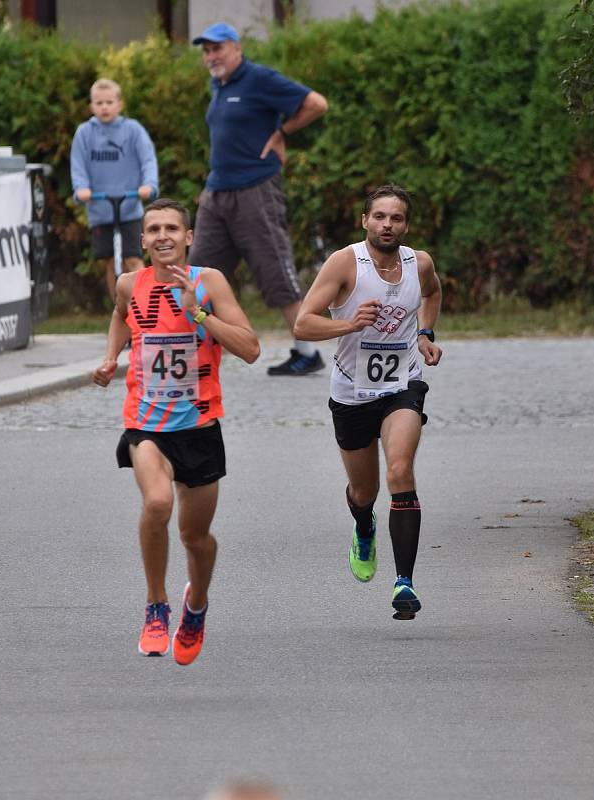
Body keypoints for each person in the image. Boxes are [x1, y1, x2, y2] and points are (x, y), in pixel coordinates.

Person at [92, 198, 260, 664]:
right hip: (145, 424)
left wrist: (198, 314)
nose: (162, 235)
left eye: (171, 228)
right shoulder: (130, 283)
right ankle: (155, 606)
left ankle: (196, 604)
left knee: (195, 539)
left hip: (200, 428)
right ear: (143, 240)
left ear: (188, 238)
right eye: (153, 229)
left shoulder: (209, 283)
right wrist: (111, 358)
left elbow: (251, 348)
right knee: (158, 502)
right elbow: (119, 317)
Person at [293, 184, 443, 619]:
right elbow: (303, 324)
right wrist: (348, 325)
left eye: (396, 218)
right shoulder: (345, 263)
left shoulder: (420, 264)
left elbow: (432, 294)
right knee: (364, 491)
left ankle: (404, 583)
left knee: (401, 469)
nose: (387, 225)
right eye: (379, 216)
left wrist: (426, 333)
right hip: (352, 392)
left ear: (406, 225)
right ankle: (363, 526)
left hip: (402, 385)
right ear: (365, 221)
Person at [190, 22, 329, 376]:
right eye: (206, 51)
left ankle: (307, 352)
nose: (211, 56)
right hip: (216, 191)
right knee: (198, 271)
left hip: (256, 189)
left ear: (236, 48)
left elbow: (316, 104)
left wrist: (282, 132)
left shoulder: (259, 78)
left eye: (217, 48)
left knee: (274, 271)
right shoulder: (218, 84)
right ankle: (187, 347)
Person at [71, 78, 159, 300]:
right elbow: (78, 165)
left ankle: (145, 306)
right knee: (110, 261)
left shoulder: (132, 130)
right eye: (99, 103)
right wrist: (81, 189)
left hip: (129, 207)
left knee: (133, 258)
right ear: (92, 106)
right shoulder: (84, 133)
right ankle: (120, 311)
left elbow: (147, 159)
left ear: (119, 104)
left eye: (109, 102)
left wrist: (149, 185)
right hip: (101, 209)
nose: (104, 107)